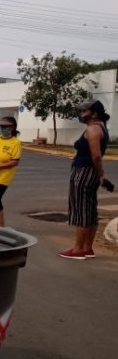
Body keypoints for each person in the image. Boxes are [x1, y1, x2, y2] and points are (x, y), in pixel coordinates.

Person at [59, 100, 111, 260]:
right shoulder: (100, 127)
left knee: (81, 210)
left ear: (94, 113)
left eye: (84, 111)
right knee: (89, 210)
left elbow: (96, 156)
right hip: (88, 171)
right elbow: (92, 154)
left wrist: (101, 174)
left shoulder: (94, 129)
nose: (81, 114)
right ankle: (87, 248)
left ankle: (78, 250)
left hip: (84, 172)